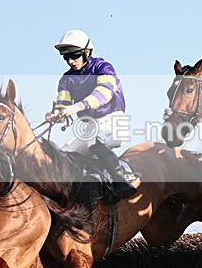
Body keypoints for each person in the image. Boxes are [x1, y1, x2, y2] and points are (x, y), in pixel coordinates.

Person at [45, 29, 137, 200]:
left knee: (95, 142)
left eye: (74, 56)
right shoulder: (66, 79)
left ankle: (122, 181)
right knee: (64, 155)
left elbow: (103, 94)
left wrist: (78, 106)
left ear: (87, 52)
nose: (71, 61)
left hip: (114, 121)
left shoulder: (104, 67)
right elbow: (63, 104)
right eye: (66, 58)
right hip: (89, 128)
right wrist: (56, 114)